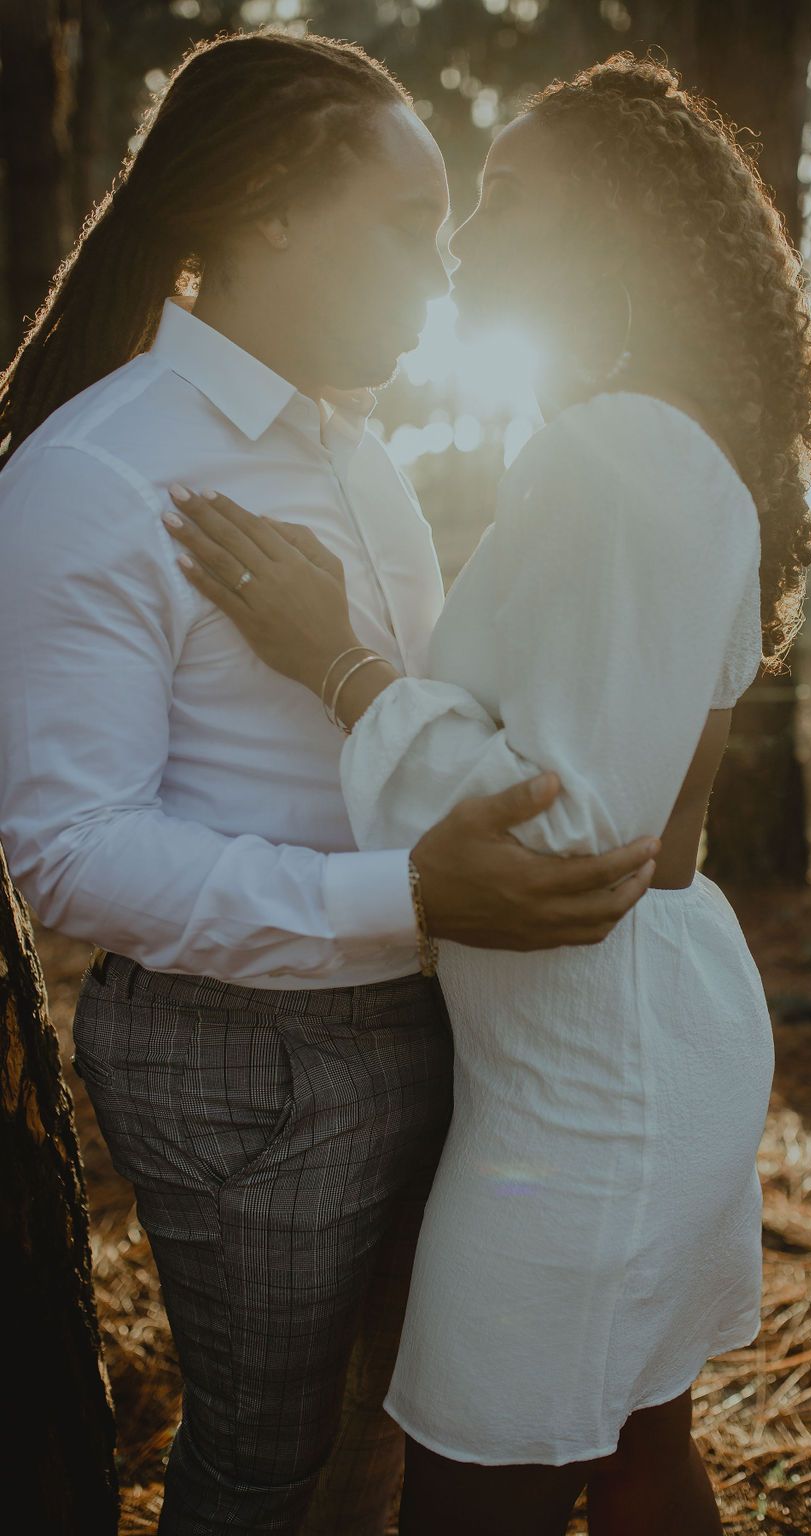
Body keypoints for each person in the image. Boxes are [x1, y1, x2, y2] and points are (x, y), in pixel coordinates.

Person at [162, 50, 811, 1536]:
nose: (466, 240)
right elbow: (673, 834)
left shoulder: (610, 453)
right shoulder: (704, 455)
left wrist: (334, 661)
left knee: (476, 1488)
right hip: (665, 1036)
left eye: (510, 200)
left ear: (616, 228)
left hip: (581, 1096)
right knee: (645, 1447)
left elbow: (586, 847)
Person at [0, 33, 661, 1536]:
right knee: (267, 1468)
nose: (445, 273)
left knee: (391, 1438)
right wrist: (407, 895)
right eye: (410, 224)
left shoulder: (356, 457)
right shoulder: (90, 477)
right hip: (247, 1062)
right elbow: (68, 853)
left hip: (433, 1014)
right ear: (270, 207)